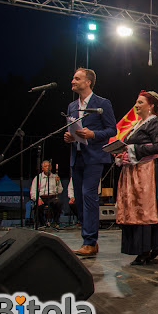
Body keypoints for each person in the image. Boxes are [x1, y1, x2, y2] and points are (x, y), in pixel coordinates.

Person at [115, 91, 158, 265]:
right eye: (136, 102)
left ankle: (150, 247)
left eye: (140, 102)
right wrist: (120, 154)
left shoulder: (155, 124)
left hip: (150, 173)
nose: (136, 105)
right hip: (136, 173)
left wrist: (132, 150)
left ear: (151, 106)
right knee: (136, 209)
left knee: (147, 209)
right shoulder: (137, 125)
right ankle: (142, 247)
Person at [63, 68, 116, 257]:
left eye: (77, 78)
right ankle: (90, 240)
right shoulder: (71, 106)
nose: (73, 81)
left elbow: (112, 130)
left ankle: (90, 241)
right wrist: (70, 137)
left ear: (88, 82)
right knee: (78, 199)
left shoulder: (102, 103)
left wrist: (93, 134)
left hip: (94, 157)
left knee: (88, 196)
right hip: (76, 157)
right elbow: (73, 127)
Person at [30, 160, 63, 228]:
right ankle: (42, 224)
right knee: (38, 206)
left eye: (49, 166)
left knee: (58, 203)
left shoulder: (55, 177)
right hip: (42, 197)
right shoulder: (38, 178)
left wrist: (58, 182)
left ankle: (56, 222)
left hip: (52, 197)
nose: (48, 167)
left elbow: (60, 191)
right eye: (45, 166)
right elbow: (33, 191)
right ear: (42, 168)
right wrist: (38, 199)